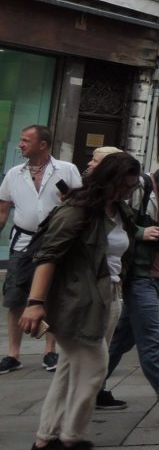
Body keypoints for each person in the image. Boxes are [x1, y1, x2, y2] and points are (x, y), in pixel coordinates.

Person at [20, 152, 140, 450]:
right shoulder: (78, 210)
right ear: (108, 181)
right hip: (75, 301)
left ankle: (45, 440)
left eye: (132, 186)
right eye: (124, 185)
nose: (128, 191)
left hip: (108, 296)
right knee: (94, 368)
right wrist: (35, 302)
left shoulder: (119, 210)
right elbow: (48, 256)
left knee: (69, 370)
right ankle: (72, 441)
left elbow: (119, 245)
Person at [97, 138, 159, 417]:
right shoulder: (140, 186)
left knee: (122, 339)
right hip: (137, 273)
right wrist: (142, 233)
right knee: (151, 337)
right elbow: (116, 221)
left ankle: (93, 386)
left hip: (157, 272)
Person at [0, 125, 81, 374]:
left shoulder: (66, 170)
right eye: (21, 140)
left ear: (43, 144)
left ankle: (50, 351)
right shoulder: (14, 173)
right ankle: (13, 354)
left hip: (55, 242)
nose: (20, 144)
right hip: (22, 242)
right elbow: (3, 209)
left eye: (26, 140)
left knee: (52, 295)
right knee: (15, 297)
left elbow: (79, 204)